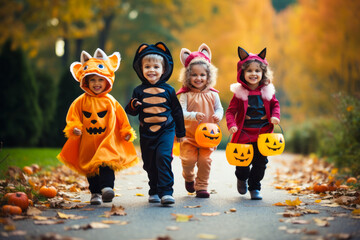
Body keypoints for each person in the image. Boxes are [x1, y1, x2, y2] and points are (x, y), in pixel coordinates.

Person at [57, 49, 139, 205]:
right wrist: (74, 127)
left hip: (107, 139)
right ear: (85, 82)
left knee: (107, 162)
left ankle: (107, 188)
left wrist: (126, 131)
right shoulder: (80, 102)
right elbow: (73, 116)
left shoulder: (110, 101)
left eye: (100, 80)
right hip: (88, 140)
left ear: (107, 80)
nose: (96, 84)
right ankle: (95, 192)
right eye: (92, 80)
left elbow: (122, 117)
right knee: (91, 167)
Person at [125, 42, 185, 205]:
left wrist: (180, 133)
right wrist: (133, 105)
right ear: (141, 69)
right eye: (147, 67)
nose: (151, 70)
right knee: (149, 162)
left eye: (156, 67)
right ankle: (154, 189)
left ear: (163, 69)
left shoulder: (169, 90)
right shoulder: (138, 90)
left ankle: (166, 191)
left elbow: (177, 112)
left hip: (166, 130)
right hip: (146, 133)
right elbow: (131, 111)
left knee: (163, 157)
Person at [225, 46, 280, 200]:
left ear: (263, 73)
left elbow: (275, 105)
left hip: (263, 135)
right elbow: (230, 111)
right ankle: (242, 178)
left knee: (260, 163)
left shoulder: (268, 91)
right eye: (249, 70)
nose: (253, 74)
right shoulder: (239, 93)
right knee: (242, 164)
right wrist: (232, 125)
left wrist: (275, 116)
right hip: (244, 134)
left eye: (257, 71)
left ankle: (255, 186)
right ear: (242, 73)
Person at [177, 43, 223, 198]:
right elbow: (180, 112)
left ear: (208, 77)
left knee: (205, 161)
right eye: (194, 75)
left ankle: (202, 186)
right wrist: (193, 115)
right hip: (188, 135)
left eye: (202, 75)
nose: (198, 78)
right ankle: (189, 177)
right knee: (188, 160)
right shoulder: (185, 95)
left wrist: (218, 115)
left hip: (208, 136)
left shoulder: (213, 94)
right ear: (187, 76)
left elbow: (219, 108)